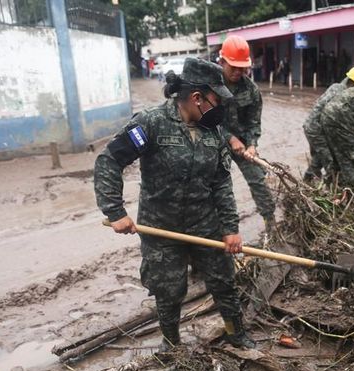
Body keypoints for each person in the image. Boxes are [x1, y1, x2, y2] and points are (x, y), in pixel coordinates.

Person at [93, 58, 255, 351]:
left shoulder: (214, 132)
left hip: (205, 224)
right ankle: (172, 345)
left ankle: (236, 333)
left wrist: (230, 228)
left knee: (224, 283)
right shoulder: (152, 123)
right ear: (197, 98)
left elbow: (221, 182)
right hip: (161, 229)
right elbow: (110, 160)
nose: (220, 108)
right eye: (216, 100)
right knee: (169, 292)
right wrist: (115, 210)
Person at [218, 35, 276, 233]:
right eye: (232, 66)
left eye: (241, 67)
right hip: (212, 142)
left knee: (258, 179)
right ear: (221, 61)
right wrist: (229, 138)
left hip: (242, 144)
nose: (237, 72)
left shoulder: (251, 89)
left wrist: (252, 144)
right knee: (214, 185)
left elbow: (254, 122)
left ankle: (270, 223)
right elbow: (202, 119)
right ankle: (218, 231)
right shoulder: (209, 85)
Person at [302, 65, 354, 182]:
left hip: (314, 127)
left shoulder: (338, 88)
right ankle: (331, 188)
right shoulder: (340, 92)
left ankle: (307, 181)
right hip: (316, 129)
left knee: (319, 158)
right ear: (353, 83)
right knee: (330, 161)